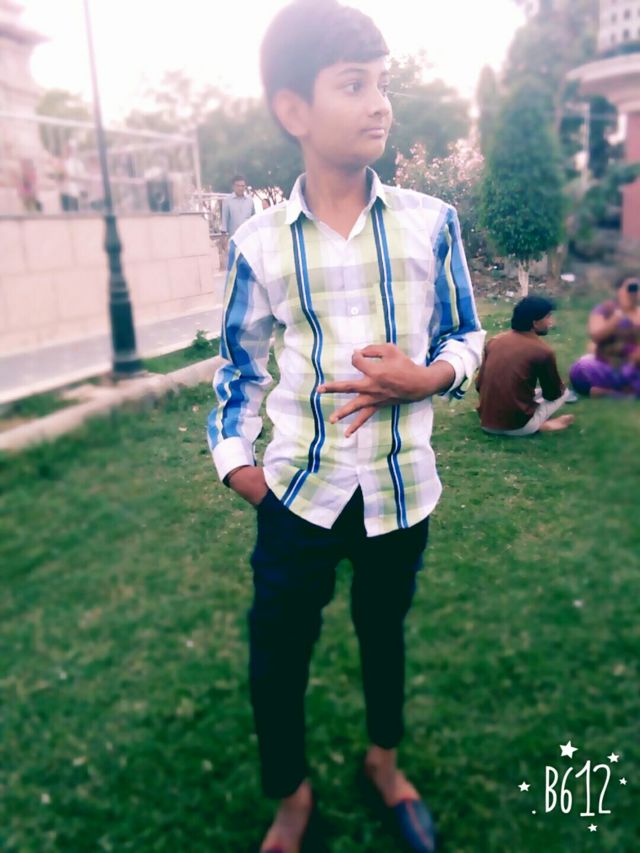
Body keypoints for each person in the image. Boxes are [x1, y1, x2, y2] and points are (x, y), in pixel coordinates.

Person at [207, 2, 484, 850]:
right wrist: (241, 468)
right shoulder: (259, 244)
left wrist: (429, 376)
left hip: (402, 490)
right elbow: (239, 371)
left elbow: (466, 334)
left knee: (383, 634)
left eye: (384, 84)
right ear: (294, 109)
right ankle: (291, 798)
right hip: (297, 493)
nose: (380, 104)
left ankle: (383, 763)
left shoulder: (431, 222)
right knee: (277, 649)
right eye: (354, 85)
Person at [476, 296, 574, 435]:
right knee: (564, 393)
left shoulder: (494, 341)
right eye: (548, 317)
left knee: (533, 391)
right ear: (535, 323)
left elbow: (479, 384)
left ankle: (524, 417)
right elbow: (553, 394)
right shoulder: (543, 351)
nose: (551, 322)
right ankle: (539, 425)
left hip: (486, 423)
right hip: (518, 427)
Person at [569, 273, 640, 398]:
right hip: (609, 364)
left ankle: (610, 392)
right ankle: (622, 392)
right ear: (619, 290)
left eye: (637, 288)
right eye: (630, 288)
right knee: (581, 368)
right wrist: (620, 314)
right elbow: (596, 336)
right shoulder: (605, 309)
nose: (633, 293)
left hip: (633, 366)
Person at [57, 140, 87, 212]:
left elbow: (82, 178)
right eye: (67, 149)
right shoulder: (62, 162)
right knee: (66, 213)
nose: (68, 151)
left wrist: (83, 190)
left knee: (75, 213)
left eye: (70, 149)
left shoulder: (77, 163)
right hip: (64, 192)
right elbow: (59, 177)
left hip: (74, 193)